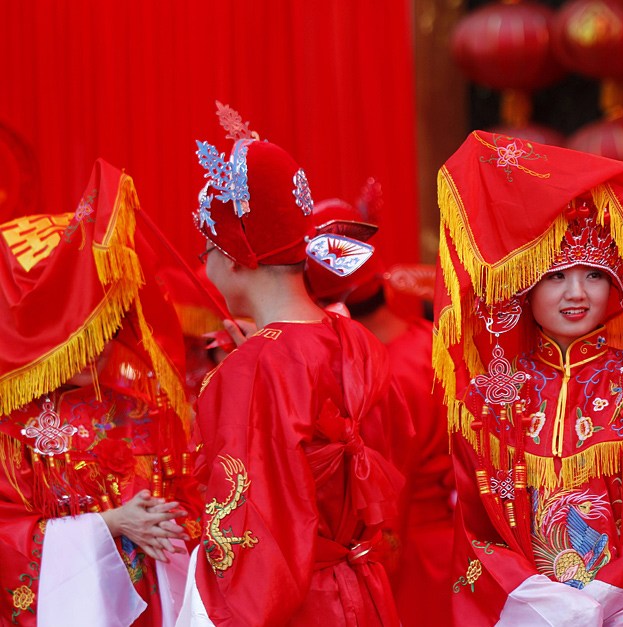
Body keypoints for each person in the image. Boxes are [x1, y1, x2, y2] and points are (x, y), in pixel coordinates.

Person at [434, 131, 623, 625]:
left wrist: (603, 602)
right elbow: (478, 536)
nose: (576, 294)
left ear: (618, 284)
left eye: (594, 275)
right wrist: (547, 608)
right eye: (555, 276)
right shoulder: (486, 403)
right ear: (522, 284)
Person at [176, 107, 408, 625]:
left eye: (206, 249)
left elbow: (246, 541)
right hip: (363, 590)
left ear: (236, 255)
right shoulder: (356, 342)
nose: (204, 266)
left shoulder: (253, 367)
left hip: (297, 606)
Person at [0, 159, 201, 625]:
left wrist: (168, 523)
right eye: (78, 327)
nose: (97, 344)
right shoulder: (12, 430)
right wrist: (111, 525)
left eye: (107, 323)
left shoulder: (143, 408)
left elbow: (193, 500)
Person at [307, 194, 454, 627]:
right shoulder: (434, 343)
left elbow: (382, 496)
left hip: (404, 557)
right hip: (453, 550)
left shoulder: (368, 375)